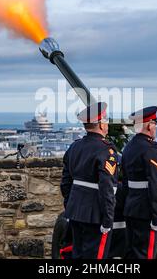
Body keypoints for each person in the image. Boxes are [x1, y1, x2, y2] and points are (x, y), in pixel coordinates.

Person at [60, 102, 118, 259]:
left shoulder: (75, 147)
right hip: (96, 214)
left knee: (77, 254)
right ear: (99, 124)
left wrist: (70, 204)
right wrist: (108, 219)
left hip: (75, 211)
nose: (107, 124)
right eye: (105, 120)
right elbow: (107, 189)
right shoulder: (106, 150)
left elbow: (66, 183)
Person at [122, 106, 157, 259]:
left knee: (132, 254)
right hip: (147, 212)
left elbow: (125, 181)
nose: (155, 128)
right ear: (149, 125)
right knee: (145, 255)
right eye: (155, 124)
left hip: (132, 209)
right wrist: (156, 218)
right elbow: (155, 186)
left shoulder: (129, 147)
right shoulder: (150, 149)